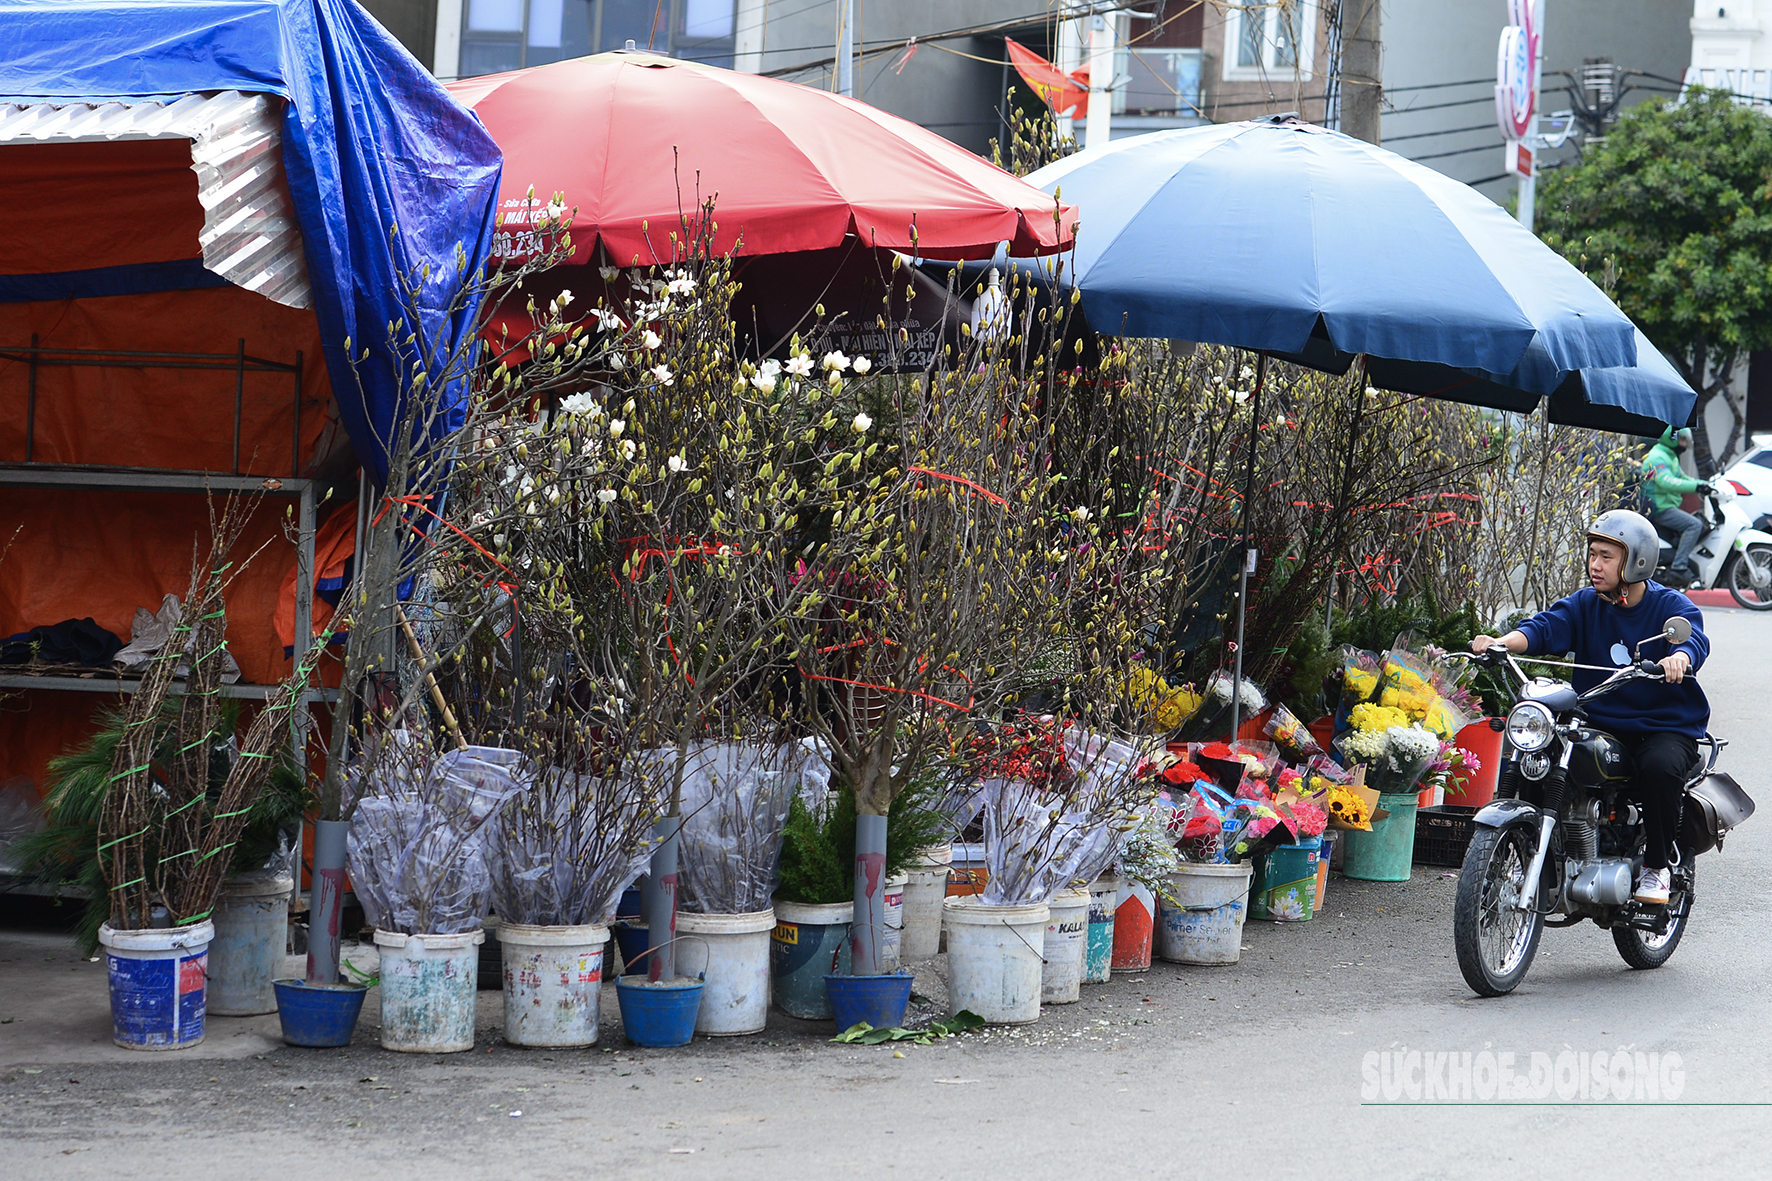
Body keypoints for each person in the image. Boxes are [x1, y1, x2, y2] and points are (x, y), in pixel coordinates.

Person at [1471, 510, 1709, 906]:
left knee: (1660, 767)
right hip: (1599, 720)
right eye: (1593, 554)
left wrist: (1680, 656)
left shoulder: (1669, 606)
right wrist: (1501, 642)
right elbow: (1543, 628)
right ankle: (1530, 851)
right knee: (1538, 754)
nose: (1595, 565)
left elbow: (1694, 637)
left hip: (1662, 725)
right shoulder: (1585, 604)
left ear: (1636, 561)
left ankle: (1656, 866)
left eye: (1606, 557)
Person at [1640, 428, 1709, 587]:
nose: (1684, 443)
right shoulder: (1657, 457)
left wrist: (1707, 485)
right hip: (1659, 507)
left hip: (1668, 505)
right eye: (1682, 439)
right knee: (1694, 524)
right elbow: (1667, 481)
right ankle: (1679, 566)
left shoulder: (1671, 456)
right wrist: (1697, 488)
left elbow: (1683, 478)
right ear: (1671, 438)